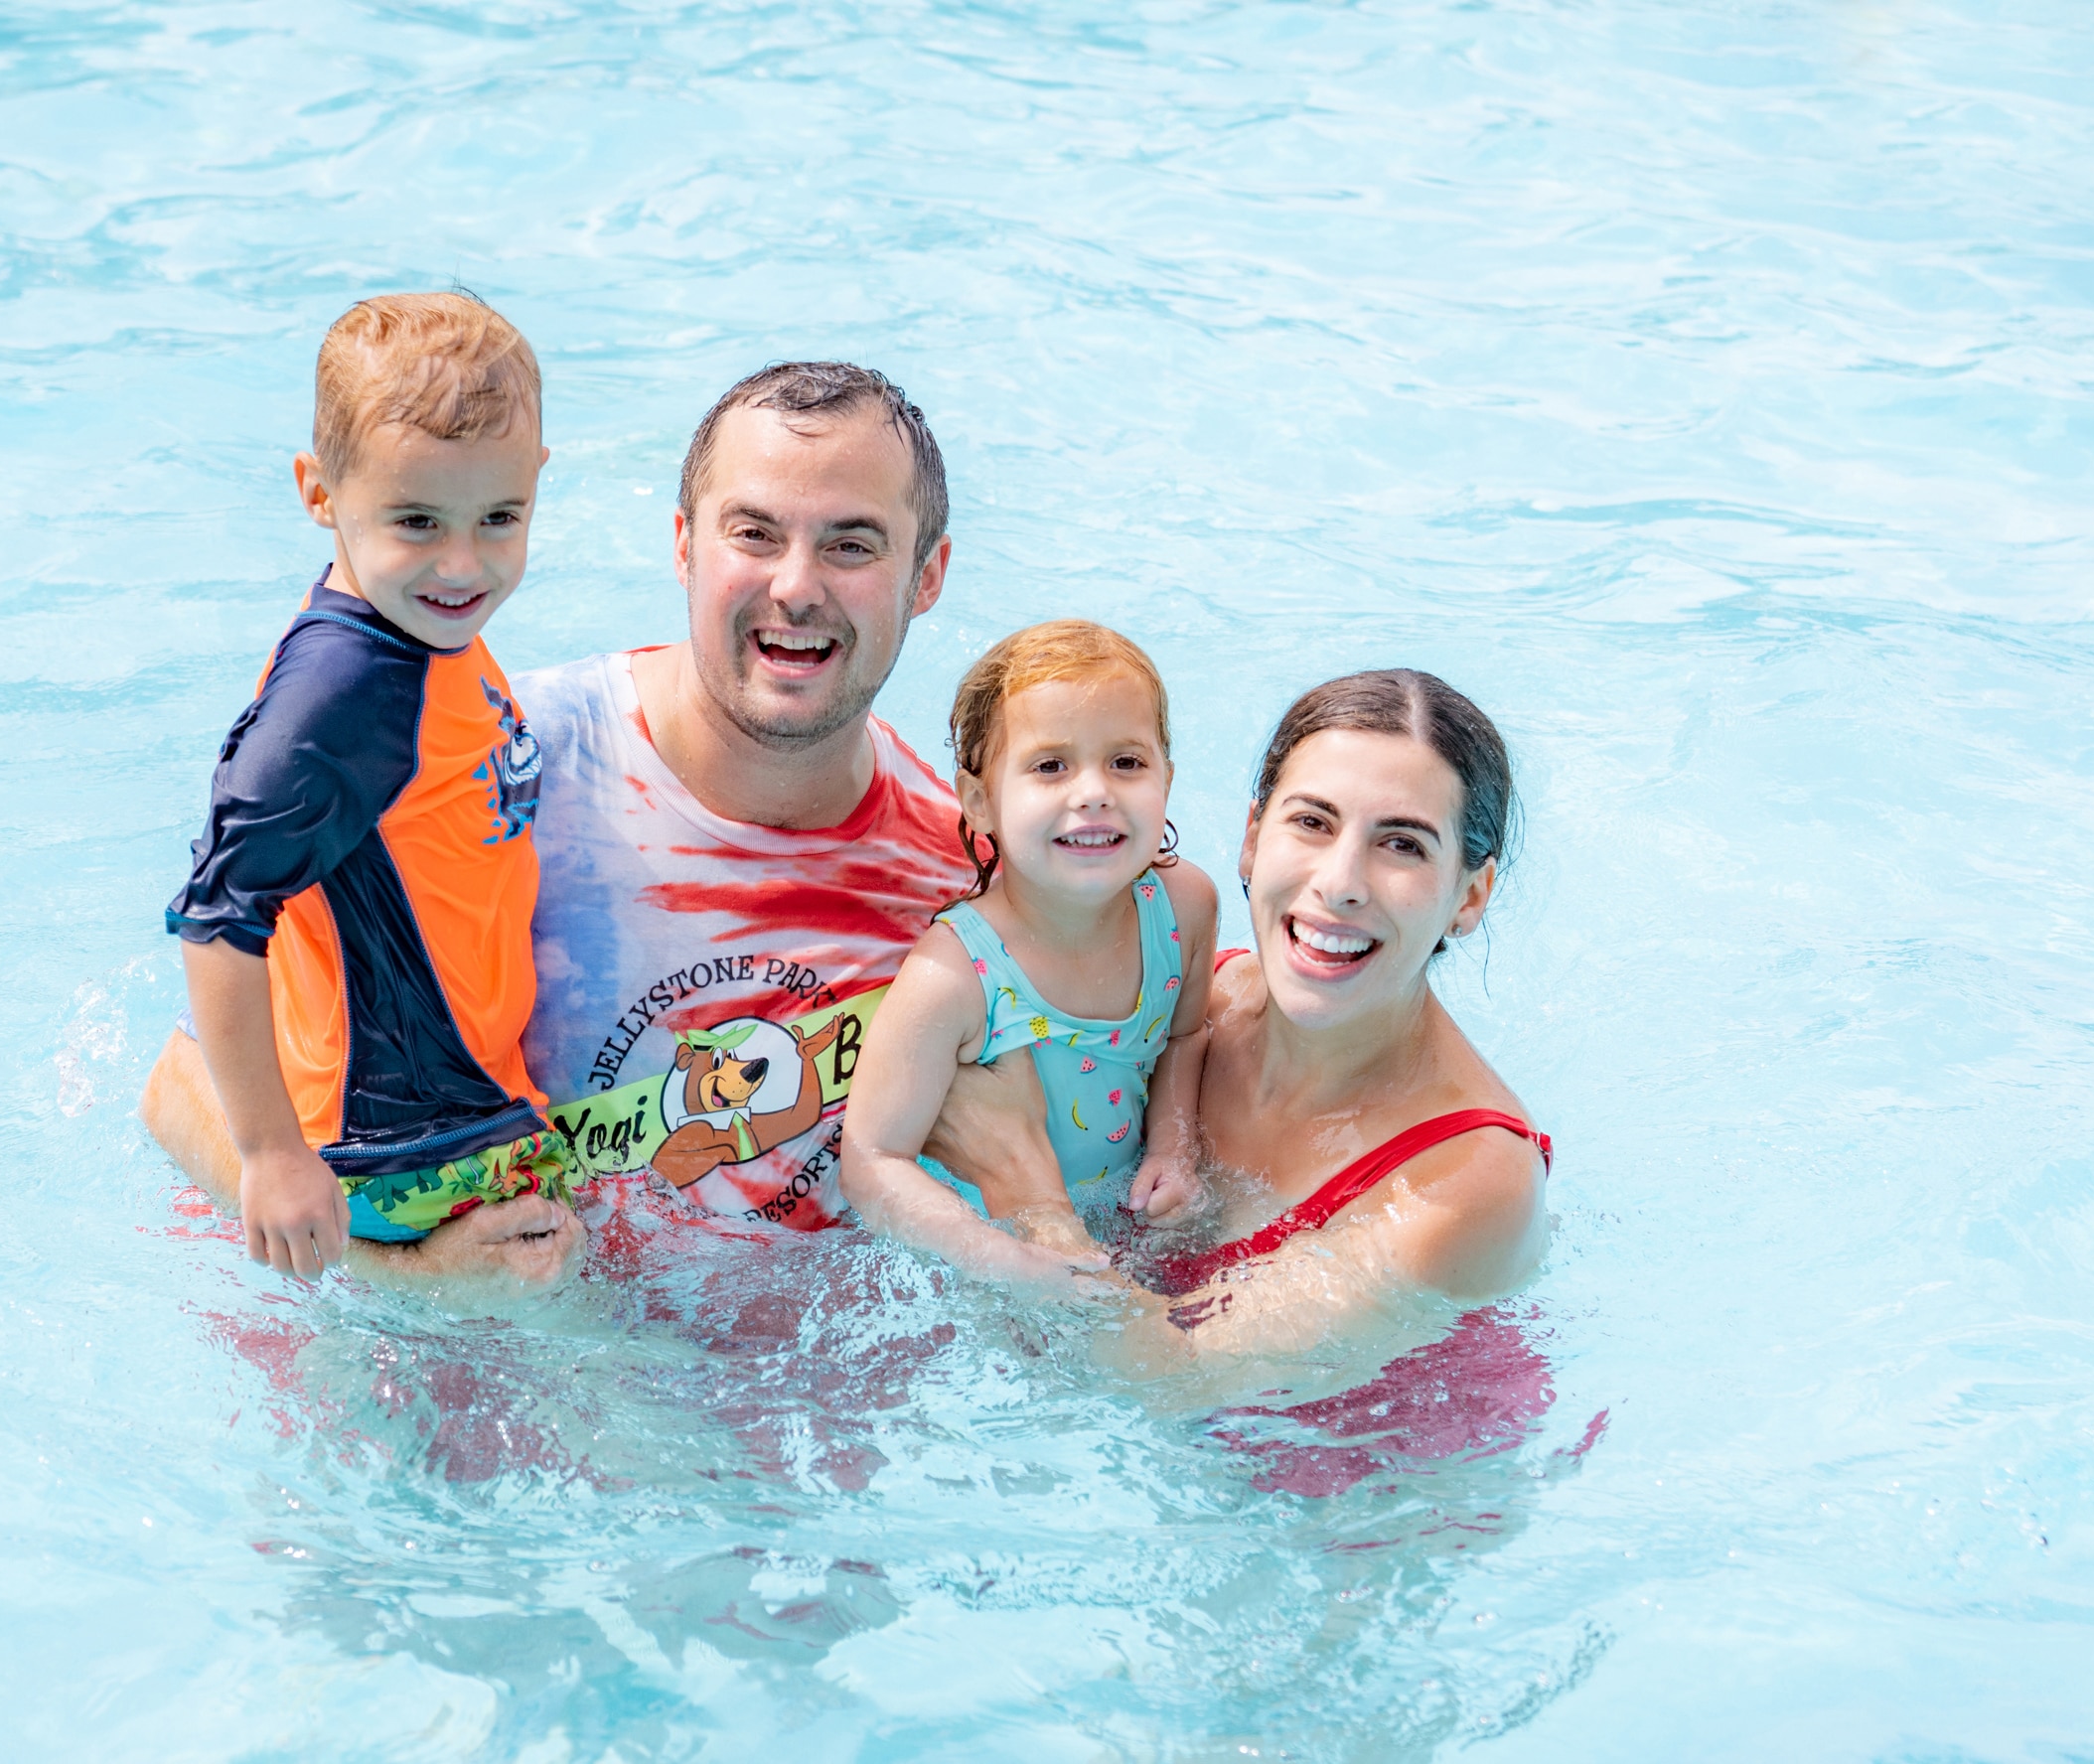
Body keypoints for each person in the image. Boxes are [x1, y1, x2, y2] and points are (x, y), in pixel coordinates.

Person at [923, 669, 1552, 1382]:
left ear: (1470, 896)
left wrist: (1022, 1189)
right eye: (1312, 822)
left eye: (1401, 844)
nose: (1340, 881)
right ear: (1252, 837)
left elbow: (1175, 1381)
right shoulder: (1188, 1002)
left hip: (1357, 1482)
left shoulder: (1468, 1181)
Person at [139, 291, 585, 1290]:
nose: (463, 563)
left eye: (499, 517)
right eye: (417, 520)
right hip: (410, 1147)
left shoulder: (423, 624)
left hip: (458, 1099)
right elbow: (218, 916)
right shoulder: (343, 695)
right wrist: (268, 1155)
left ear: (535, 482)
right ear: (318, 490)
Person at [509, 362, 978, 1235]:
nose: (796, 587)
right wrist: (402, 1267)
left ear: (926, 576)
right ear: (684, 544)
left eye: (850, 544)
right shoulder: (510, 769)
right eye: (755, 533)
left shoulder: (961, 884)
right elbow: (198, 1082)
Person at [840, 620, 1219, 1288]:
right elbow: (872, 1159)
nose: (1094, 791)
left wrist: (1174, 1147)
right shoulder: (953, 975)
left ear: (1168, 778)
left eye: (1126, 762)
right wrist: (1000, 1259)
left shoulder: (1182, 908)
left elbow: (1186, 1035)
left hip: (1117, 1222)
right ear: (979, 801)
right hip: (991, 1255)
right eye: (1050, 766)